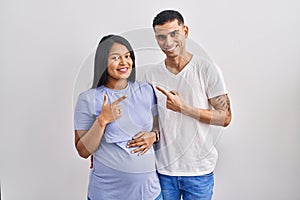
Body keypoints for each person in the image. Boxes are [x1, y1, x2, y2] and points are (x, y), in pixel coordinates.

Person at [128, 10, 232, 200]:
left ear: (185, 31)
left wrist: (183, 108)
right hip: (163, 171)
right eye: (161, 37)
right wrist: (104, 148)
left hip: (198, 172)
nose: (168, 42)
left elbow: (225, 117)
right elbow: (149, 120)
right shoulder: (151, 75)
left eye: (174, 34)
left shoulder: (206, 69)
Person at [73, 35, 162, 200]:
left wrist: (154, 135)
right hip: (108, 194)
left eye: (127, 56)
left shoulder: (147, 90)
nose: (124, 62)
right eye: (115, 57)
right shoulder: (88, 99)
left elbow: (160, 126)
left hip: (150, 193)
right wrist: (102, 121)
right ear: (103, 61)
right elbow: (83, 151)